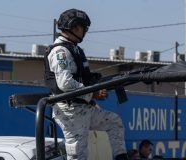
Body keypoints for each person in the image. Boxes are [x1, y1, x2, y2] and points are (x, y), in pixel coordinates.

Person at [44, 8, 128, 160]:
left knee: (114, 122)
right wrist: (92, 93)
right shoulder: (61, 51)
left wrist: (101, 84)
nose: (85, 32)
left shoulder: (74, 49)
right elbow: (65, 83)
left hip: (83, 107)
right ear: (75, 27)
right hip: (71, 111)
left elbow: (85, 78)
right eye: (84, 28)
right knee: (79, 155)